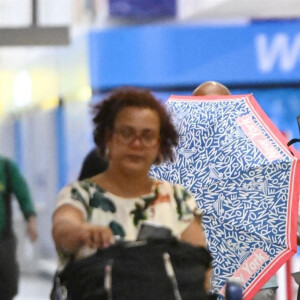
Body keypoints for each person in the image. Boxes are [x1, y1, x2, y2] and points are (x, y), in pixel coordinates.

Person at [52, 87, 212, 295]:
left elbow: (199, 269)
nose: (136, 144)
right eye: (127, 133)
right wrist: (83, 232)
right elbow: (63, 227)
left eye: (147, 136)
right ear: (108, 137)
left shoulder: (178, 198)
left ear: (159, 143)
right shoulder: (80, 195)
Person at [193, 81, 279, 300]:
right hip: (198, 278)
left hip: (254, 275)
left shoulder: (262, 155)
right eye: (203, 107)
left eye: (220, 106)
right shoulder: (174, 162)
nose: (212, 114)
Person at [0, 156, 38, 300]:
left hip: (3, 239)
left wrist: (31, 221)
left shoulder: (6, 168)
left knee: (8, 283)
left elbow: (23, 194)